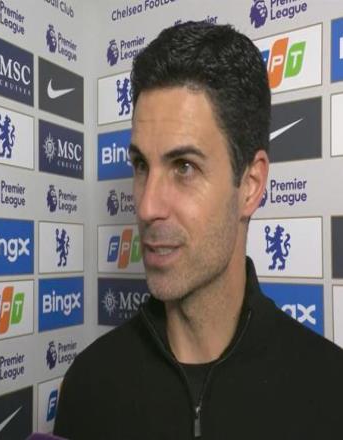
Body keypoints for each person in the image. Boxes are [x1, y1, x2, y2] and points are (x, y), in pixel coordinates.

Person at [53, 21, 343, 440]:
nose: (147, 207)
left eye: (184, 167)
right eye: (141, 165)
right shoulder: (90, 384)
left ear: (250, 185)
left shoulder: (330, 393)